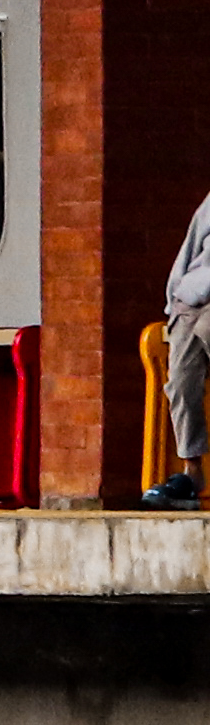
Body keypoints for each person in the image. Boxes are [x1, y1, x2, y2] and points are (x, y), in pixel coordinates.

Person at [152, 183, 210, 512]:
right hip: (191, 298)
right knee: (180, 381)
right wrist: (174, 301)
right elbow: (190, 247)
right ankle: (192, 471)